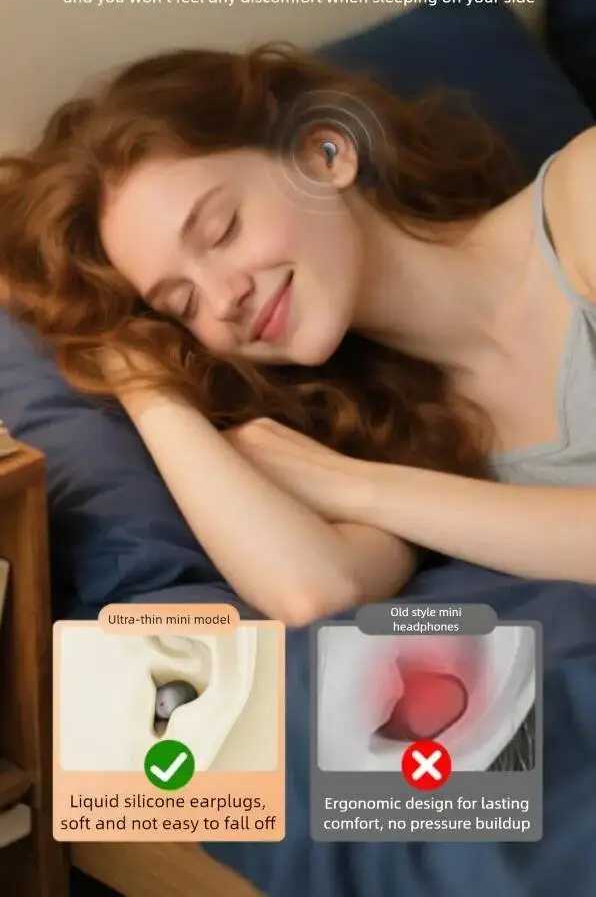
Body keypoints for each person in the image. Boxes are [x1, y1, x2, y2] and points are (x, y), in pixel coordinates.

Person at [1, 43, 595, 626]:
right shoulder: (403, 435)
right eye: (183, 303)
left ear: (324, 155)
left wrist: (353, 488)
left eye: (222, 230)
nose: (223, 299)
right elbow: (314, 590)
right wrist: (136, 374)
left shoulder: (581, 200)